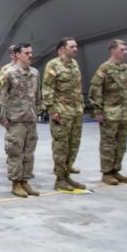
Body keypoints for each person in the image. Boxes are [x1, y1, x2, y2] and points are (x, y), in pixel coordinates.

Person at [0, 44, 43, 197]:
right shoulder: (9, 73)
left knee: (29, 152)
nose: (30, 55)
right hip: (15, 119)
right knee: (15, 152)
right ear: (17, 55)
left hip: (30, 118)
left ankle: (25, 181)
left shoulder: (35, 73)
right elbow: (1, 97)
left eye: (31, 52)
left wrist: (38, 110)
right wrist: (3, 118)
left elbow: (37, 95)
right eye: (26, 53)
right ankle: (16, 183)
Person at [89, 39, 127, 185]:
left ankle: (116, 170)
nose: (125, 52)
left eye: (126, 49)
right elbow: (95, 89)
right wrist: (98, 110)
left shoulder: (126, 68)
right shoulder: (105, 68)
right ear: (113, 50)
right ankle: (107, 173)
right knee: (108, 144)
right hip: (110, 113)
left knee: (121, 144)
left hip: (125, 113)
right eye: (122, 49)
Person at [42, 37, 86, 190]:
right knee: (61, 146)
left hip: (76, 112)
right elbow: (47, 88)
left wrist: (81, 107)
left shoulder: (74, 64)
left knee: (74, 145)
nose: (75, 49)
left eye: (76, 46)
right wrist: (52, 110)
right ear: (62, 49)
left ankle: (67, 176)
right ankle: (60, 179)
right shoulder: (53, 65)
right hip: (61, 113)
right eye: (71, 46)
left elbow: (77, 89)